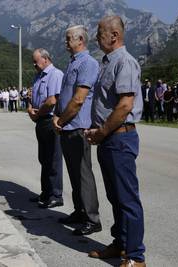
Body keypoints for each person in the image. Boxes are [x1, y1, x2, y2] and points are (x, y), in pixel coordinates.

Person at [85, 16, 146, 267]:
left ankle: (135, 256)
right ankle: (120, 243)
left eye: (100, 32)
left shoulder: (125, 62)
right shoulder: (107, 63)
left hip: (119, 138)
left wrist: (100, 132)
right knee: (115, 197)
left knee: (128, 199)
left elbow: (124, 106)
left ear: (114, 36)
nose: (96, 36)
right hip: (109, 139)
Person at [53, 25, 101, 235]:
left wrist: (61, 120)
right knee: (73, 173)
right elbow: (64, 94)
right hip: (67, 125)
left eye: (68, 38)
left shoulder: (88, 63)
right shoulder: (73, 63)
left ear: (80, 40)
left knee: (83, 174)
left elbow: (79, 99)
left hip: (77, 126)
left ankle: (92, 218)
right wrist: (57, 115)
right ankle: (79, 211)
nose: (65, 42)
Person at [28, 48, 63, 208]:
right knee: (43, 158)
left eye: (36, 61)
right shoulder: (38, 76)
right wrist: (30, 108)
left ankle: (56, 195)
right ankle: (46, 192)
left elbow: (52, 100)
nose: (34, 64)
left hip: (50, 120)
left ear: (45, 59)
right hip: (40, 120)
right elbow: (32, 96)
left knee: (54, 159)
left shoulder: (55, 75)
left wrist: (37, 113)